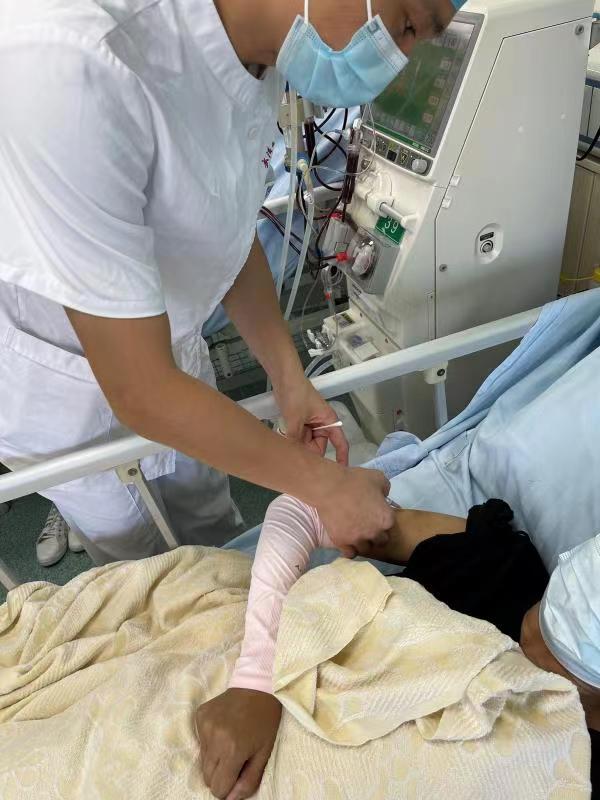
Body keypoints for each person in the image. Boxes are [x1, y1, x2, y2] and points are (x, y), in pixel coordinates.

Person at [0, 0, 457, 566]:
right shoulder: (70, 63)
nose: (398, 62)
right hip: (71, 383)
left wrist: (288, 376)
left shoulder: (264, 51)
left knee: (218, 538)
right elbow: (139, 388)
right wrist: (324, 485)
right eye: (407, 25)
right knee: (146, 570)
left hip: (170, 348)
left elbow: (222, 231)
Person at [197, 495, 600, 800]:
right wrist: (256, 678)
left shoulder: (576, 773)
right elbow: (307, 507)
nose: (532, 630)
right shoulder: (497, 563)